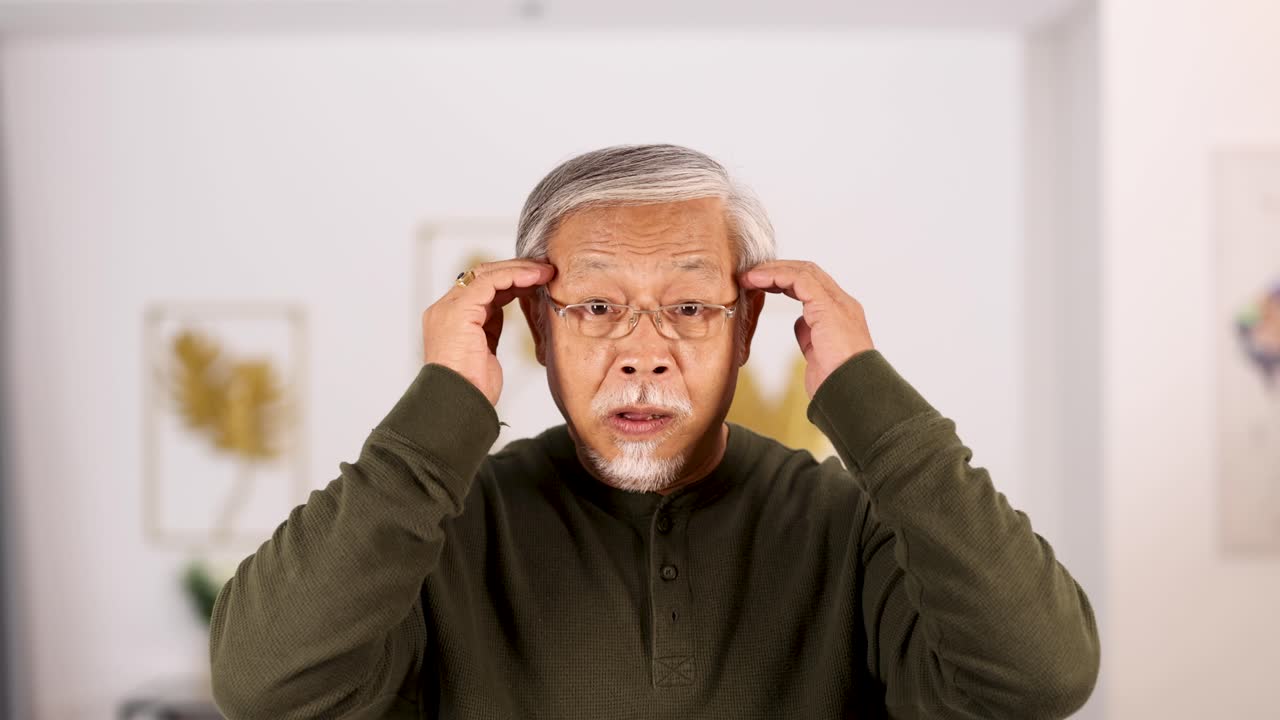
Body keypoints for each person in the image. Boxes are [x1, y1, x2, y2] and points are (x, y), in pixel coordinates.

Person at [209, 144, 1099, 719]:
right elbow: (262, 684)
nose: (644, 354)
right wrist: (446, 401)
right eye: (597, 306)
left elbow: (1043, 679)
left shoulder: (851, 525)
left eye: (687, 306)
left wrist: (870, 399)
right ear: (538, 330)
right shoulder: (440, 529)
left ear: (745, 330)